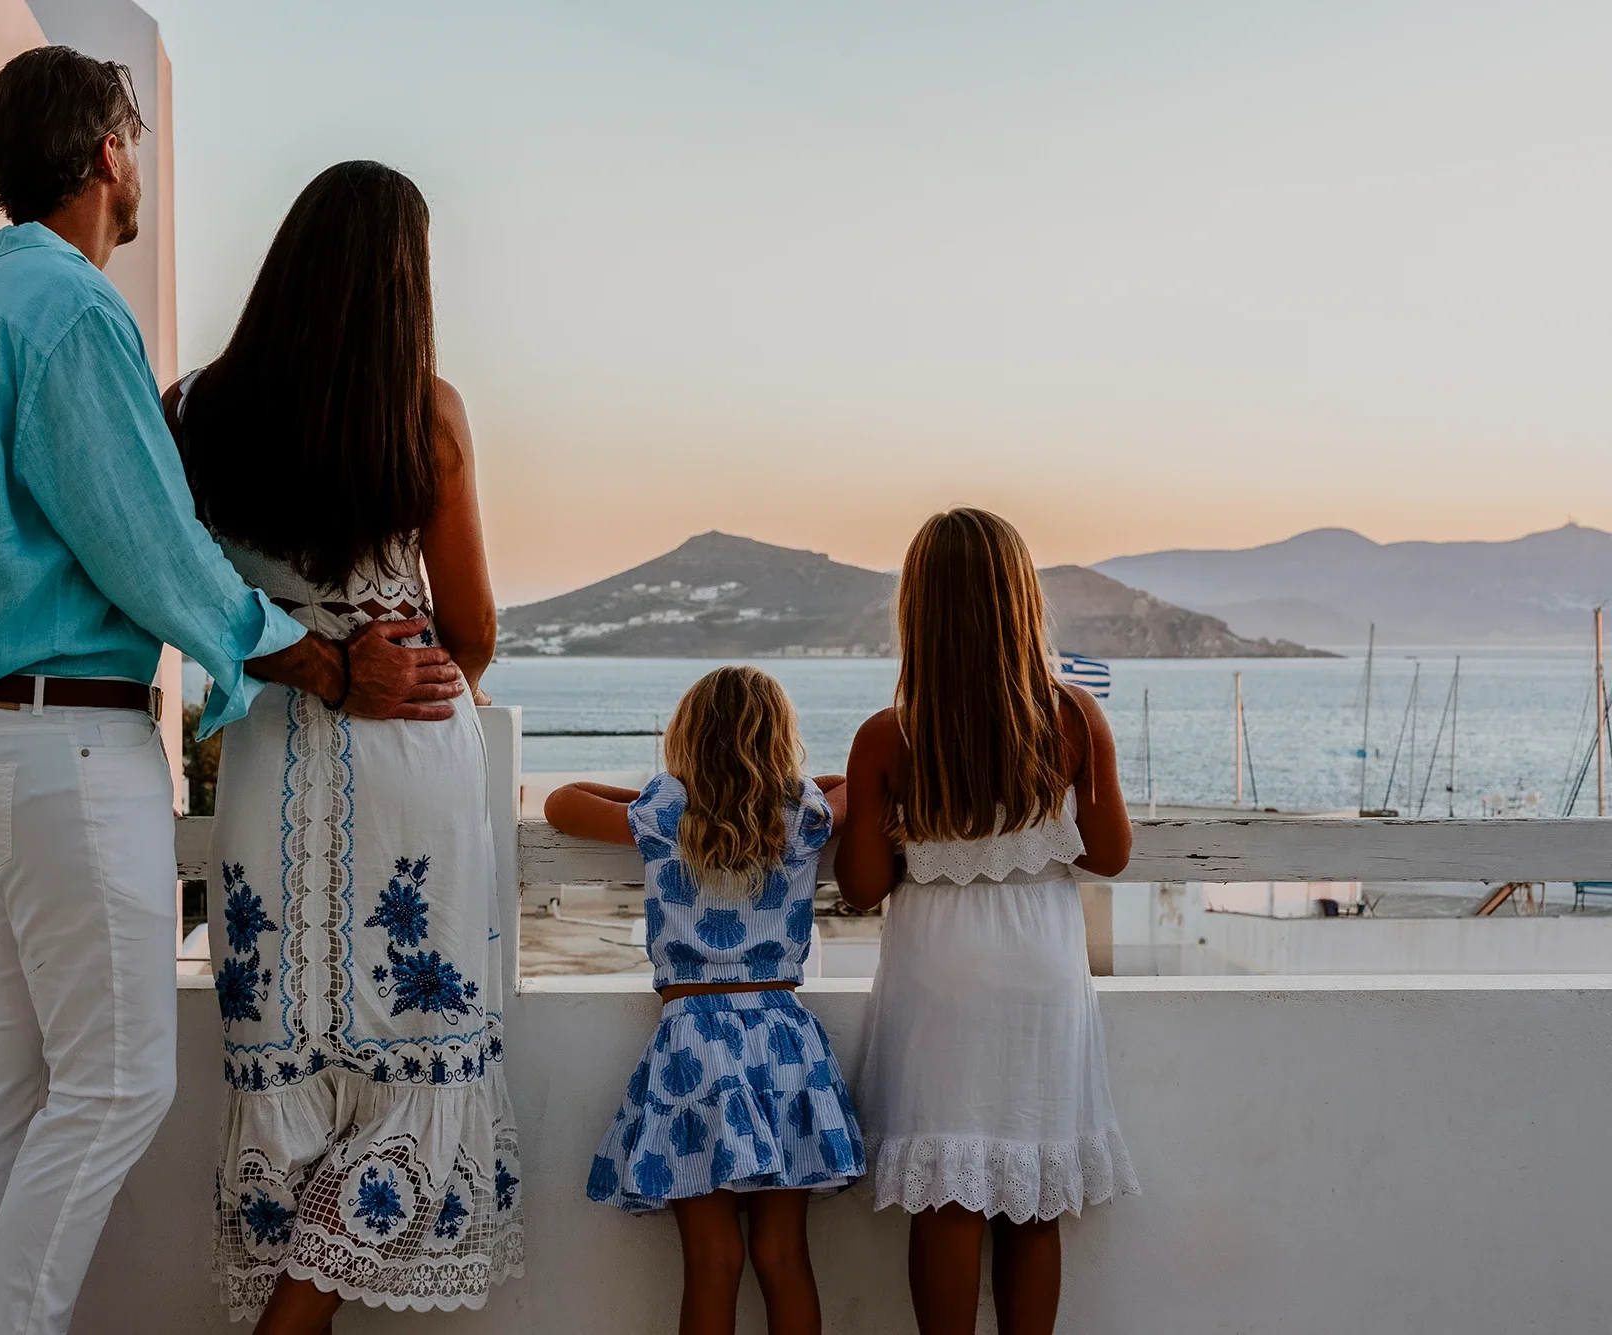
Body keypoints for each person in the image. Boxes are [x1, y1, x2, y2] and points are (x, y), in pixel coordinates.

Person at [0, 52, 459, 1335]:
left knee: (4, 1081)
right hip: (61, 737)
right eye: (136, 140)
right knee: (115, 1086)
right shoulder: (75, 314)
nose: (141, 164)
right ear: (107, 154)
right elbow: (148, 549)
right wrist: (322, 663)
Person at [163, 160, 519, 1330]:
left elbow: (176, 593)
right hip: (409, 740)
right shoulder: (425, 413)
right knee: (411, 1070)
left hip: (267, 749)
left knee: (286, 1061)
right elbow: (472, 632)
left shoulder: (190, 411)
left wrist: (300, 653)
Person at [836, 509, 1140, 1335]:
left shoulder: (888, 736)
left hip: (939, 972)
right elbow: (1111, 853)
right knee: (1032, 1197)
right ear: (1022, 604)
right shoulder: (1073, 717)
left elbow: (862, 887)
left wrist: (878, 816)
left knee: (946, 1200)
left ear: (918, 611)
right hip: (1039, 968)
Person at [545, 666, 865, 1335]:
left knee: (713, 1261)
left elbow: (561, 802)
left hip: (694, 1042)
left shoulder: (665, 812)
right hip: (783, 1041)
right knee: (784, 1255)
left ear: (687, 737)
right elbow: (855, 786)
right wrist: (780, 782)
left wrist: (667, 789)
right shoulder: (802, 813)